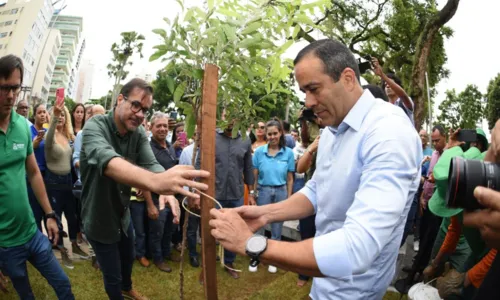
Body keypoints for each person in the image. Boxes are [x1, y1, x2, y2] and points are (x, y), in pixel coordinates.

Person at [209, 39, 421, 299]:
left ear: (347, 78)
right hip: (324, 284)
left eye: (314, 89)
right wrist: (265, 214)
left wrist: (251, 244)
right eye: (304, 92)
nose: (308, 102)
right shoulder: (333, 128)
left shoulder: (389, 133)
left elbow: (357, 248)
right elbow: (319, 188)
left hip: (355, 291)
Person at [80, 78, 209, 300]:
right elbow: (109, 162)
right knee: (111, 274)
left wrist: (168, 188)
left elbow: (151, 164)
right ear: (120, 99)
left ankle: (128, 287)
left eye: (145, 110)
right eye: (136, 105)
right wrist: (155, 182)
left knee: (129, 254)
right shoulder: (95, 126)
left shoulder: (138, 133)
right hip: (99, 218)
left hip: (123, 215)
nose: (140, 114)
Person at [0, 54, 74, 299]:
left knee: (63, 285)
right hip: (6, 245)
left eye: (15, 88)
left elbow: (33, 172)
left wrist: (50, 214)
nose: (11, 96)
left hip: (32, 233)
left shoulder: (22, 126)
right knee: (26, 294)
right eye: (3, 88)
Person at [45, 98, 86, 268]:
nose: (60, 117)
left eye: (63, 115)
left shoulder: (68, 136)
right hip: (53, 182)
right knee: (57, 218)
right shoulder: (49, 134)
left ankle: (75, 245)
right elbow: (48, 143)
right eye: (58, 115)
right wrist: (54, 117)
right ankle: (62, 251)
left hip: (68, 181)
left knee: (72, 216)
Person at [252, 119, 295, 273]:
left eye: (275, 133)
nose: (272, 137)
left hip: (281, 191)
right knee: (259, 224)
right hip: (263, 191)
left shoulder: (288, 153)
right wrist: (252, 193)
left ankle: (274, 259)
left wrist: (289, 198)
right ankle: (256, 256)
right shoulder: (258, 152)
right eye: (269, 134)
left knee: (277, 227)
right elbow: (254, 177)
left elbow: (290, 178)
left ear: (280, 133)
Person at [147, 113, 180, 272]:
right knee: (157, 231)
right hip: (156, 198)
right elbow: (144, 177)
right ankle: (158, 259)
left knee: (169, 228)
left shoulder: (170, 146)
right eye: (158, 125)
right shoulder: (148, 149)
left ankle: (166, 252)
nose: (162, 129)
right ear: (151, 127)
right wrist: (149, 204)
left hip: (172, 197)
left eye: (165, 126)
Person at [371, 57, 414, 125]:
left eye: (390, 83)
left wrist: (382, 75)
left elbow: (403, 95)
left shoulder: (404, 103)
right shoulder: (383, 107)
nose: (387, 86)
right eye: (385, 85)